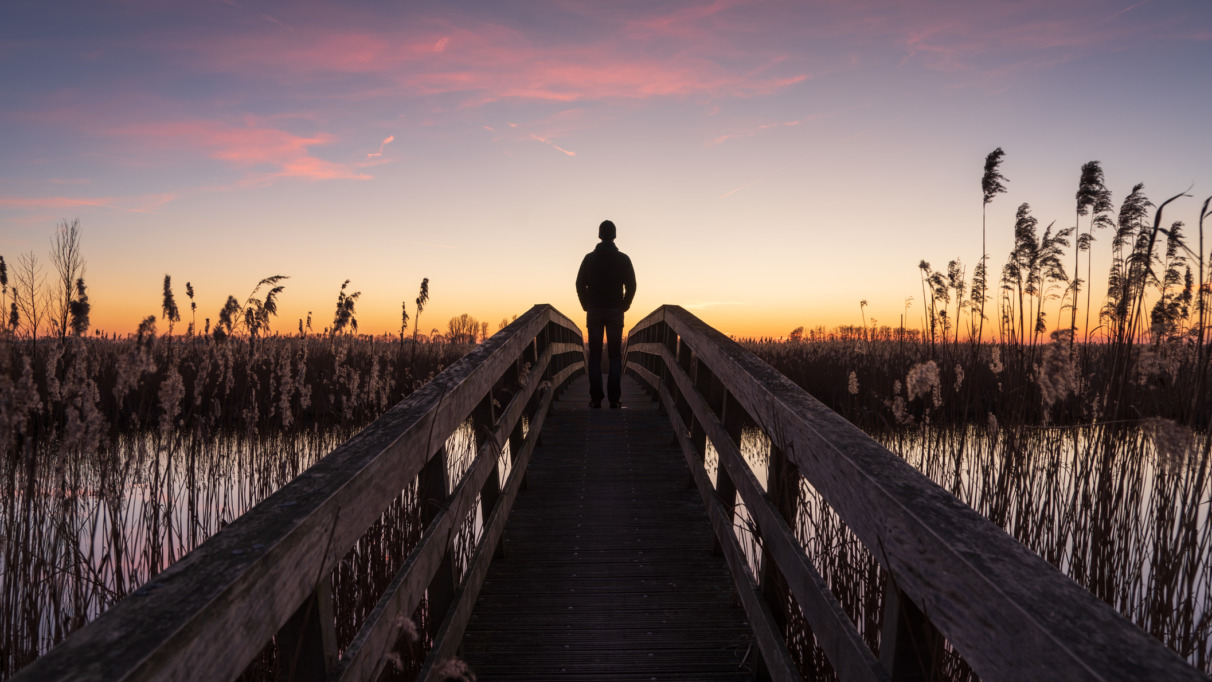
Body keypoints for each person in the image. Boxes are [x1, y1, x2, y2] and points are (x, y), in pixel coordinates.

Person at [576, 219, 636, 408]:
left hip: (594, 310)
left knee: (594, 355)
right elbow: (632, 286)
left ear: (600, 235)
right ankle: (614, 399)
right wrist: (624, 305)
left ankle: (595, 398)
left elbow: (579, 284)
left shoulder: (589, 258)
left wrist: (586, 304)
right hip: (615, 311)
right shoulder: (623, 259)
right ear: (615, 236)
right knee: (614, 356)